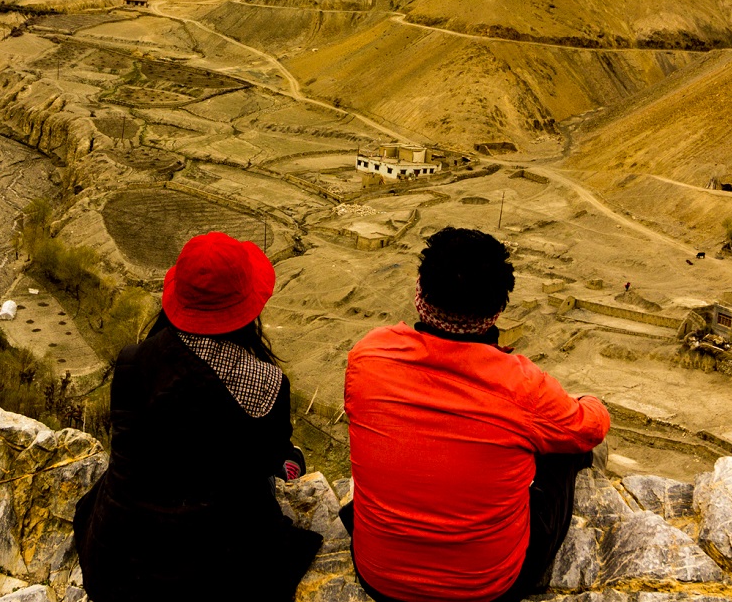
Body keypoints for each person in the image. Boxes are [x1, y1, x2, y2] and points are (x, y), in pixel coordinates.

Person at [344, 227, 611, 602]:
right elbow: (592, 426)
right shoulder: (523, 387)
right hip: (486, 588)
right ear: (498, 309)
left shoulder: (368, 356)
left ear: (419, 293)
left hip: (379, 578)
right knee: (565, 452)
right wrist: (588, 400)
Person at [74, 231, 322, 601]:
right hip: (214, 576)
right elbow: (272, 458)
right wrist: (290, 461)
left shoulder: (132, 362)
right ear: (246, 306)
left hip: (118, 563)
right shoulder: (266, 383)